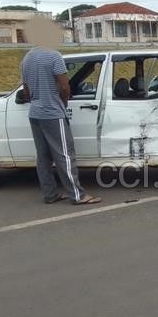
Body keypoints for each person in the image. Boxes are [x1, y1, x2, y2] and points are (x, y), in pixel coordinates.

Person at [20, 19, 100, 205]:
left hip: (35, 114)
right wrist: (62, 104)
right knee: (65, 155)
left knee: (43, 157)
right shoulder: (54, 56)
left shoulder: (26, 60)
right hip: (53, 114)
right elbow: (65, 87)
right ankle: (77, 195)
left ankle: (50, 194)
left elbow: (26, 92)